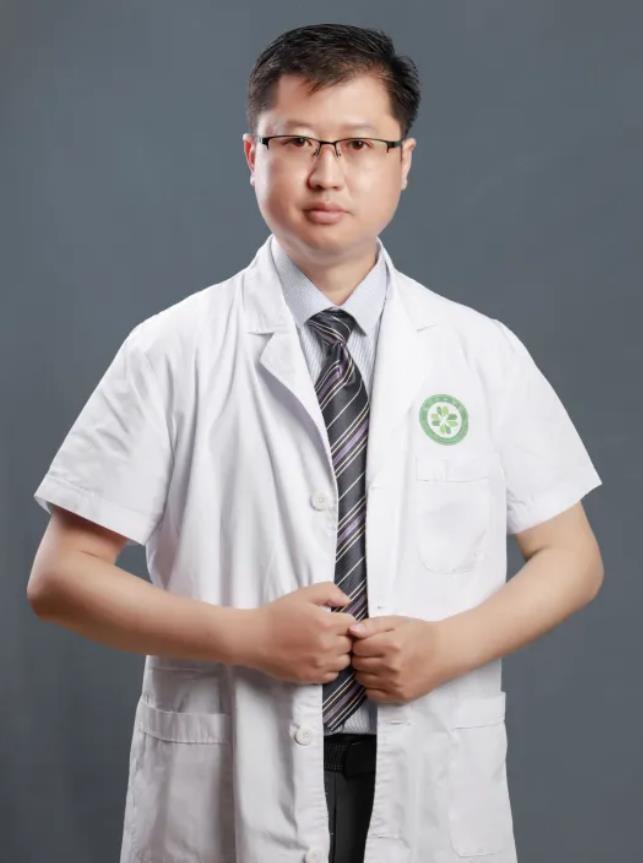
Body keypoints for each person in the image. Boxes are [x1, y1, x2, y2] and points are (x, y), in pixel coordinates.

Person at [27, 22, 604, 863]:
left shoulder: (479, 351)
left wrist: (448, 646)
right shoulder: (172, 350)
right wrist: (247, 636)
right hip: (233, 771)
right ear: (251, 155)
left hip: (428, 767)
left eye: (359, 144)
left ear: (403, 161)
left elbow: (571, 556)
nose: (326, 172)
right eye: (295, 140)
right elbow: (61, 578)